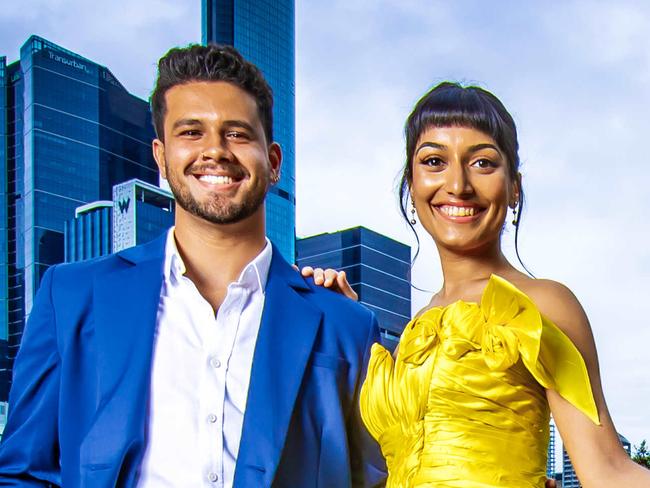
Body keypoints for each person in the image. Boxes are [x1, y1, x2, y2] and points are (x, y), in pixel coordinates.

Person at [0, 44, 385, 487]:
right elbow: (21, 475)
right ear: (161, 158)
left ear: (274, 162)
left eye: (237, 133)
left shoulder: (347, 326)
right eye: (191, 133)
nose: (215, 151)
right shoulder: (71, 297)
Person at [303, 82, 650, 487]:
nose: (458, 185)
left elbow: (608, 471)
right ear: (411, 186)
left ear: (514, 187)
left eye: (482, 163)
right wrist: (346, 318)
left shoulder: (541, 305)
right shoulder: (416, 330)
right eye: (434, 161)